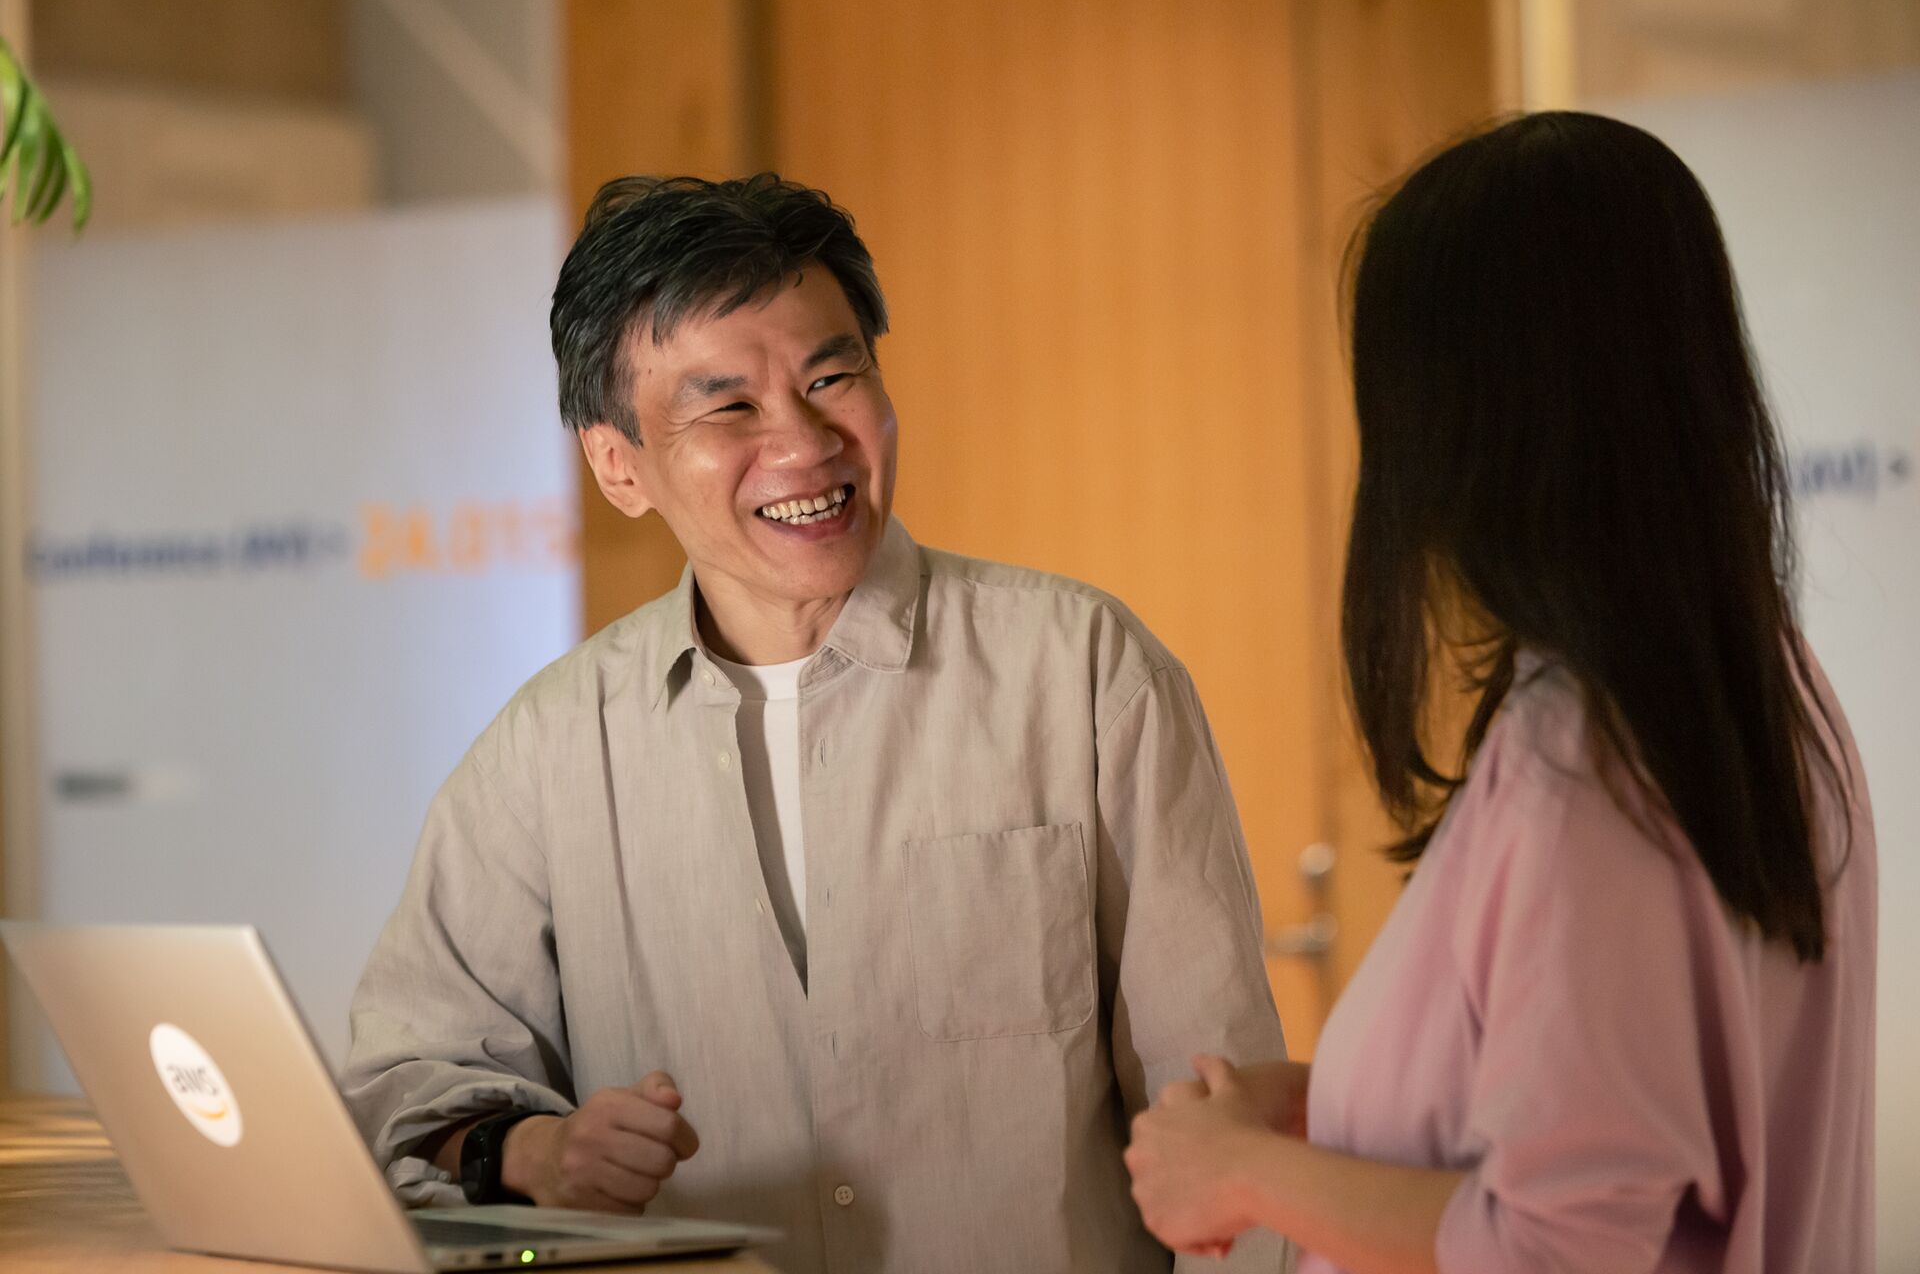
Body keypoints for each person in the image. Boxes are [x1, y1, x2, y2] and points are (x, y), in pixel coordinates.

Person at [342, 173, 1291, 1273]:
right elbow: (405, 1095)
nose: (802, 442)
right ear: (620, 465)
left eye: (832, 375)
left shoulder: (1082, 673)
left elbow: (1228, 1120)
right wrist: (530, 1152)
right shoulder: (547, 751)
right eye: (729, 406)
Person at [1124, 111, 1876, 1273]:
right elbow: (1608, 1114)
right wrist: (1337, 1111)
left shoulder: (1586, 752)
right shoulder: (1757, 684)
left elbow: (1558, 1244)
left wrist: (1239, 1174)